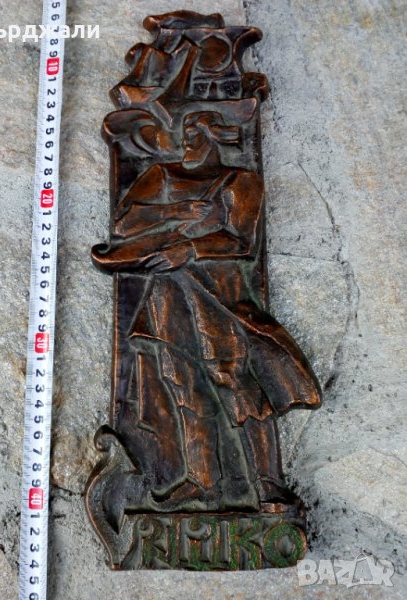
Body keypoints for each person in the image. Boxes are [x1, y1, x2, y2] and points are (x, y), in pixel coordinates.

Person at [92, 111, 321, 531]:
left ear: (217, 138)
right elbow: (124, 223)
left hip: (218, 294)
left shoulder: (239, 180)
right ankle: (201, 482)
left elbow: (243, 240)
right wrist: (178, 209)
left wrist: (191, 249)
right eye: (184, 135)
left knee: (233, 378)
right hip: (168, 292)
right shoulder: (162, 175)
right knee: (181, 383)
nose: (186, 143)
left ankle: (268, 483)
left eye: (196, 135)